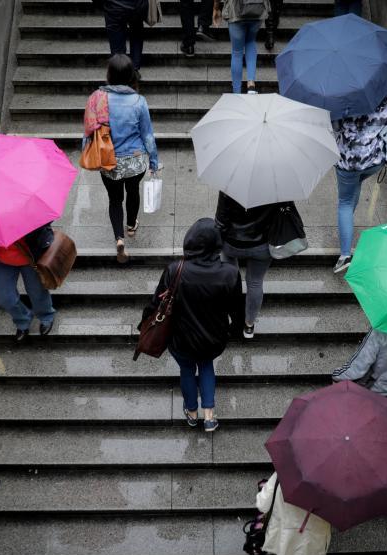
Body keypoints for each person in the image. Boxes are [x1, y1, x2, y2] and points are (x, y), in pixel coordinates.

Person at [142, 218, 244, 432]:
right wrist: (235, 330)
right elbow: (236, 308)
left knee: (187, 370)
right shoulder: (230, 273)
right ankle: (209, 416)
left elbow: (156, 303)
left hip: (181, 338)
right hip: (213, 337)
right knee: (206, 366)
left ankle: (191, 412)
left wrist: (144, 324)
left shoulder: (175, 269)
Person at [84, 54, 159, 263]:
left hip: (108, 160)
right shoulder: (138, 101)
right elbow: (147, 135)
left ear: (109, 74)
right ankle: (132, 226)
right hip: (135, 161)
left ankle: (119, 238)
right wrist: (153, 160)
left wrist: (87, 150)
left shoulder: (96, 98)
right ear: (130, 75)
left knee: (115, 199)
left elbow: (89, 130)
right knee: (133, 191)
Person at [331, 86, 387, 273]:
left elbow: (335, 127)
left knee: (345, 203)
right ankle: (346, 225)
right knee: (356, 186)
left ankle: (345, 255)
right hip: (374, 161)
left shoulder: (342, 93)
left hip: (348, 160)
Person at [256, 472, 332, 555]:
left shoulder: (283, 475)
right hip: (307, 536)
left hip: (284, 535)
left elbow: (262, 504)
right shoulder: (330, 484)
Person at [0, 224, 57, 342]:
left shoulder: (27, 209)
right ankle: (23, 319)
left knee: (37, 290)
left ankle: (46, 315)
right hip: (2, 260)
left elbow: (44, 226)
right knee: (4, 298)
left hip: (30, 257)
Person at [215, 191, 273, 339]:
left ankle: (233, 318)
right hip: (262, 245)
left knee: (230, 280)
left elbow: (221, 221)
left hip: (232, 244)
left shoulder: (229, 185)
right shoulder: (275, 187)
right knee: (255, 283)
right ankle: (249, 325)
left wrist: (217, 243)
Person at [214, 0, 269, 93]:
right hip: (257, 8)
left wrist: (216, 8)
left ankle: (237, 91)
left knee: (237, 52)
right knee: (251, 42)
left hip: (236, 11)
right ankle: (251, 84)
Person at [102, 0, 147, 73]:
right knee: (136, 33)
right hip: (136, 6)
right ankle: (134, 69)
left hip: (113, 6)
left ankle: (120, 72)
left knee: (117, 45)